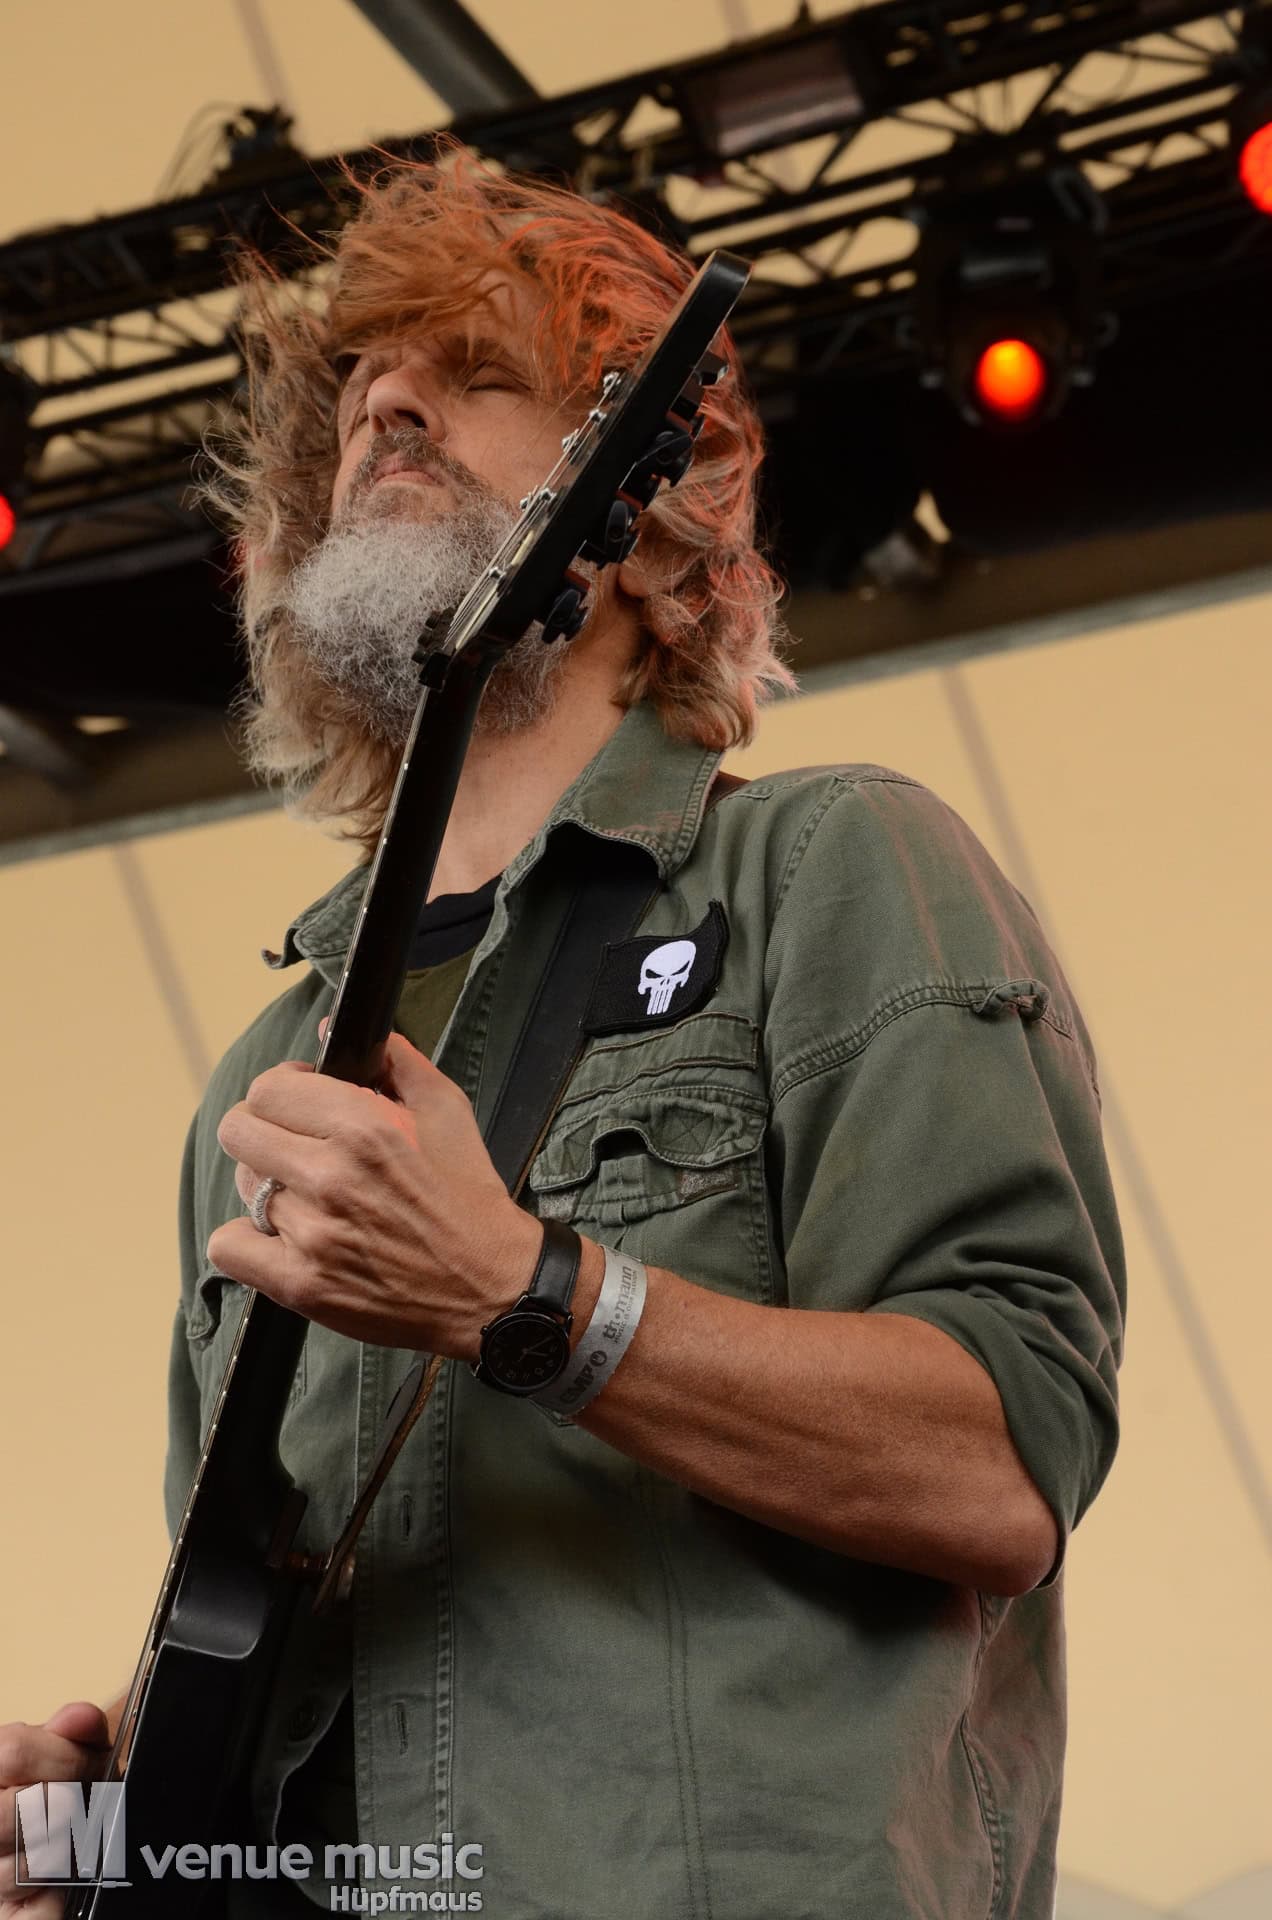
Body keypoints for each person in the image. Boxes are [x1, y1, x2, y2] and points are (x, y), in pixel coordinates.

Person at [0, 148, 1125, 1920]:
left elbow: (1003, 1460)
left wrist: (527, 1294)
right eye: (364, 399)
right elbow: (271, 1626)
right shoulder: (267, 1079)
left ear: (647, 501)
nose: (389, 411)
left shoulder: (832, 866)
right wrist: (104, 1819)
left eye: (475, 373)